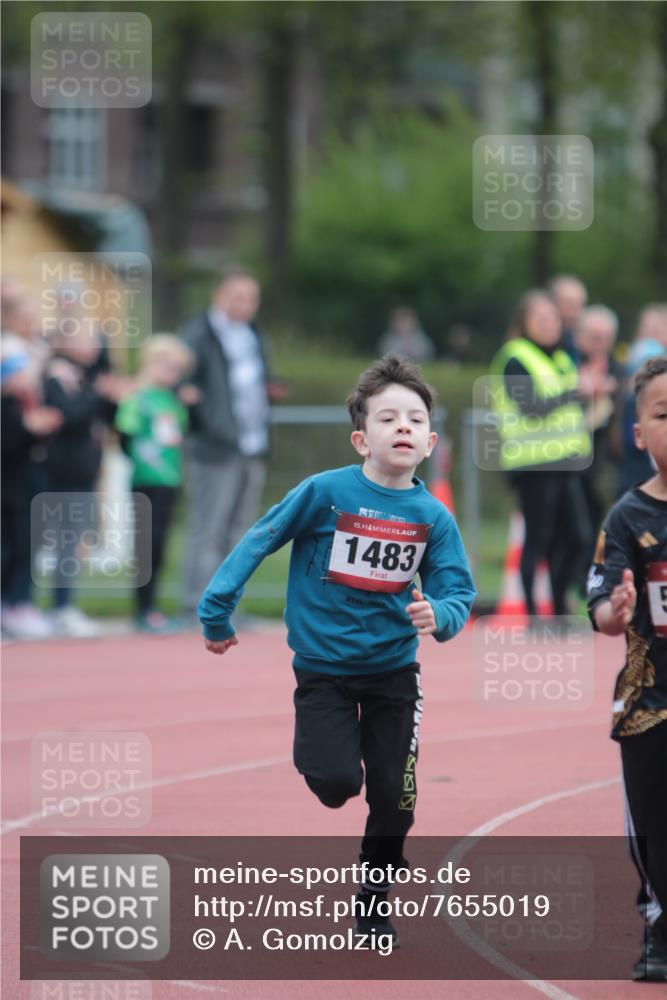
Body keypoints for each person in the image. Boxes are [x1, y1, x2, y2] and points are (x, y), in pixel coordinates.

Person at [198, 356, 476, 947]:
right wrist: (216, 608)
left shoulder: (432, 517)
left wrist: (443, 614)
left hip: (395, 675)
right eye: (387, 418)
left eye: (415, 419)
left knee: (394, 800)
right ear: (361, 438)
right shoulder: (324, 493)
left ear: (428, 442)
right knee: (334, 785)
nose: (401, 427)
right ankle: (341, 787)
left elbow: (458, 590)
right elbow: (260, 538)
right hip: (322, 672)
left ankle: (372, 901)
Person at [586, 356, 667, 983]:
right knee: (655, 821)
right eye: (664, 415)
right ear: (638, 433)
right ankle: (659, 926)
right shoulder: (626, 520)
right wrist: (616, 611)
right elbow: (602, 615)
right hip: (651, 700)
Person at [180, 269, 279, 619]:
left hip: (252, 444)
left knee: (240, 531)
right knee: (210, 528)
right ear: (219, 296)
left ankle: (227, 605)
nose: (246, 305)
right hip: (216, 447)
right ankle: (197, 602)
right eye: (238, 297)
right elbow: (184, 385)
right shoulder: (199, 335)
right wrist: (208, 421)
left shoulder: (253, 334)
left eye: (252, 298)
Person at [490, 289, 594, 616]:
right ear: (525, 322)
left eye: (553, 319)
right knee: (538, 539)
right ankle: (535, 615)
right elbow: (531, 407)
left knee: (577, 537)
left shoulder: (562, 358)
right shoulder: (515, 356)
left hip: (565, 461)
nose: (550, 325)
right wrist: (574, 393)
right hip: (532, 463)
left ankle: (560, 605)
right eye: (541, 319)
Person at [115, 335, 198, 634]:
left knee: (161, 544)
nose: (173, 374)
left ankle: (153, 607)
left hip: (170, 478)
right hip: (146, 480)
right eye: (168, 366)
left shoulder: (172, 399)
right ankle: (142, 608)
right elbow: (125, 434)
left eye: (177, 369)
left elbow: (181, 432)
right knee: (146, 544)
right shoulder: (138, 396)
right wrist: (143, 463)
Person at [575, 306, 623, 566]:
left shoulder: (619, 370)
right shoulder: (567, 364)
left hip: (606, 456)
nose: (600, 343)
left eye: (605, 337)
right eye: (594, 336)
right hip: (568, 456)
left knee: (599, 514)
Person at [548, 274, 588, 362]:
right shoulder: (543, 344)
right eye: (568, 302)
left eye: (579, 303)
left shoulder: (581, 343)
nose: (574, 309)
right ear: (550, 303)